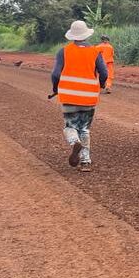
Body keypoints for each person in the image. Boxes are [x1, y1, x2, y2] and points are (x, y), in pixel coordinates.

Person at [50, 20, 108, 172]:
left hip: (69, 96)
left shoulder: (64, 51)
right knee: (85, 128)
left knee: (70, 126)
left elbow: (55, 74)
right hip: (89, 97)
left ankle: (74, 142)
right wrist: (101, 85)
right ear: (86, 35)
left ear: (72, 36)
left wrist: (55, 87)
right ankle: (86, 161)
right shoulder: (95, 52)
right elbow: (104, 73)